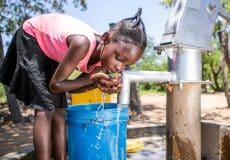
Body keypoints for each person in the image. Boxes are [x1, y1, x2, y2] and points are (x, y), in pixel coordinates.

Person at [0, 8, 147, 160]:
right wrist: (92, 79)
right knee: (45, 110)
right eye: (119, 58)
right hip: (33, 37)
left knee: (60, 111)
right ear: (105, 38)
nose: (119, 67)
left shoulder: (104, 60)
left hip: (51, 50)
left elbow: (74, 89)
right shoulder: (82, 43)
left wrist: (97, 83)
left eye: (126, 65)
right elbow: (55, 85)